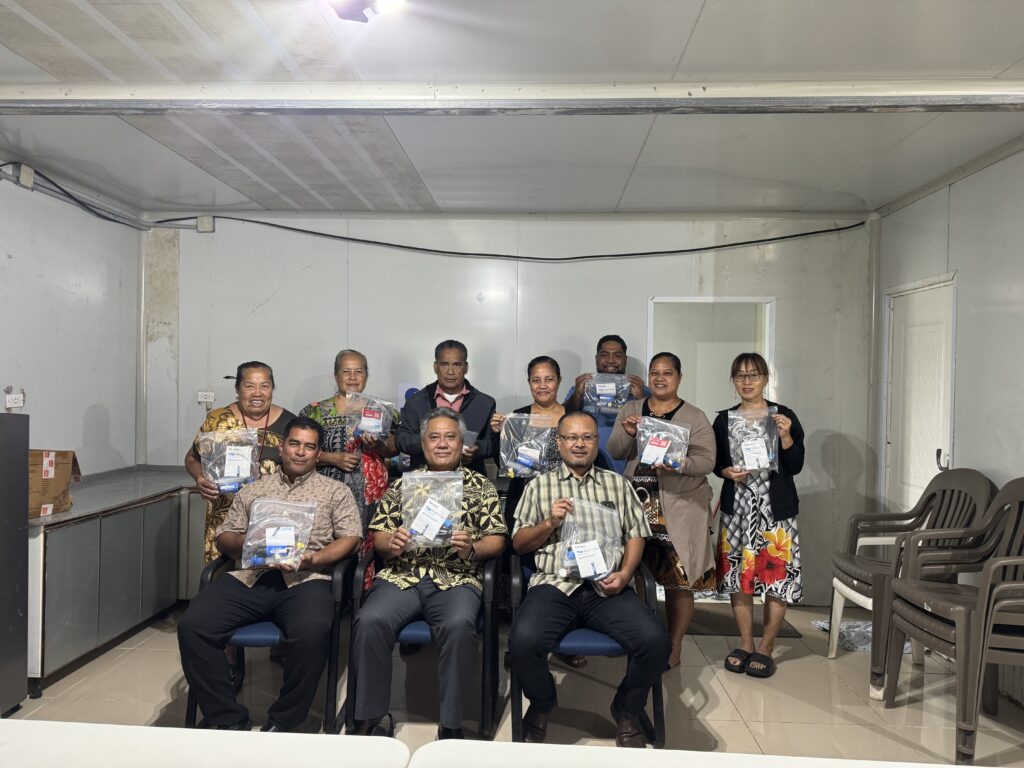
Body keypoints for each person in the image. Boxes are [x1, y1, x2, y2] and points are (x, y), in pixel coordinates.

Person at [177, 416, 363, 732]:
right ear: (282, 447)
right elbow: (225, 537)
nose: (301, 452)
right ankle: (227, 718)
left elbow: (351, 538)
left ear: (318, 454)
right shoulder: (254, 489)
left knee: (313, 631)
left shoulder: (335, 491)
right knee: (193, 625)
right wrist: (251, 541)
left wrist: (314, 558)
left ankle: (284, 720)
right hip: (253, 576)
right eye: (294, 444)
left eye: (309, 447)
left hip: (307, 579)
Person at [509, 412, 670, 748]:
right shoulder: (538, 486)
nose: (579, 444)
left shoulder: (617, 484)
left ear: (597, 443)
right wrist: (549, 523)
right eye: (571, 437)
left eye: (587, 437)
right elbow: (519, 544)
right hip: (555, 584)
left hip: (607, 587)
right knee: (523, 641)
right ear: (559, 443)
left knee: (655, 641)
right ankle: (542, 703)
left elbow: (636, 534)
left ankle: (627, 708)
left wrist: (625, 573)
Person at [350, 408, 507, 740]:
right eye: (434, 437)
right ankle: (370, 716)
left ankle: (450, 724)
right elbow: (379, 536)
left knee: (459, 625)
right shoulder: (403, 484)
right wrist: (391, 543)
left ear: (462, 443)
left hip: (456, 576)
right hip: (402, 575)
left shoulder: (481, 486)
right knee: (370, 620)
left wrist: (473, 548)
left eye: (450, 437)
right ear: (423, 444)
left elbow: (497, 539)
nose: (442, 444)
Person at [607, 352, 716, 670]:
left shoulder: (694, 416)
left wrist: (677, 462)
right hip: (638, 505)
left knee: (678, 580)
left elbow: (707, 462)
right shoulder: (631, 409)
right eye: (654, 372)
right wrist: (628, 434)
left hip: (679, 508)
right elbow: (615, 451)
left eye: (667, 373)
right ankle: (645, 640)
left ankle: (674, 646)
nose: (659, 378)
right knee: (639, 574)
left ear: (679, 378)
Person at [714, 352, 805, 679]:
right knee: (740, 578)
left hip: (774, 511)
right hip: (738, 510)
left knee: (776, 579)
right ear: (733, 380)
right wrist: (725, 472)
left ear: (765, 378)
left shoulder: (783, 415)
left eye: (753, 375)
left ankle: (766, 647)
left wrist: (786, 437)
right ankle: (745, 643)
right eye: (740, 375)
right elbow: (716, 462)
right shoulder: (724, 420)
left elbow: (795, 465)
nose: (747, 381)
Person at [186, 361, 296, 563]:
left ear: (272, 389)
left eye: (264, 386)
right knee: (221, 576)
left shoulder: (289, 424)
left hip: (273, 520)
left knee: (271, 577)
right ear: (237, 389)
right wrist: (199, 476)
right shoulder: (217, 420)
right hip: (224, 519)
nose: (257, 393)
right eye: (249, 386)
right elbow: (192, 457)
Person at [299, 349, 399, 544]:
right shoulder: (314, 412)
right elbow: (298, 452)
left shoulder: (382, 410)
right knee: (327, 543)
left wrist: (378, 445)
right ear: (336, 375)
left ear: (366, 375)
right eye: (346, 372)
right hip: (326, 493)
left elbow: (395, 449)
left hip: (371, 495)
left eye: (359, 371)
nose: (353, 377)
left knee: (371, 544)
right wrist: (331, 458)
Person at [396, 340, 497, 475]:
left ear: (466, 367)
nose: (450, 371)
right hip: (423, 480)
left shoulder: (484, 403)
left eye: (457, 365)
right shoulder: (416, 402)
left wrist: (477, 449)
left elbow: (493, 443)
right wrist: (428, 442)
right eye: (444, 364)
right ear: (435, 367)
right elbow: (401, 438)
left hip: (469, 480)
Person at [563, 334, 648, 474]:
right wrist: (577, 394)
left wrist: (641, 397)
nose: (611, 360)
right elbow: (563, 421)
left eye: (617, 355)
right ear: (596, 359)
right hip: (587, 466)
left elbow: (658, 428)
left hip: (629, 469)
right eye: (605, 355)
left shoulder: (641, 390)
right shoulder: (581, 388)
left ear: (625, 360)